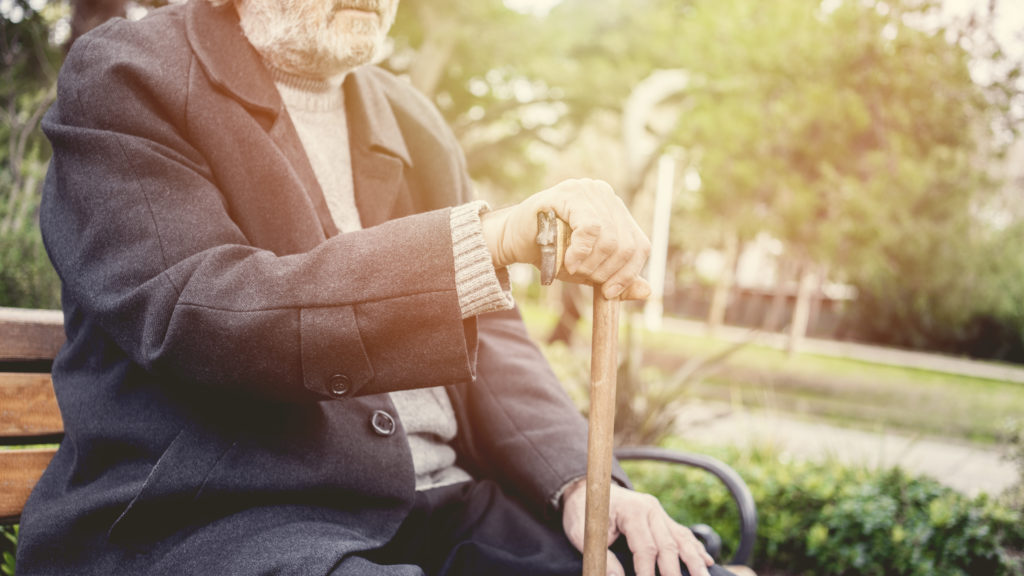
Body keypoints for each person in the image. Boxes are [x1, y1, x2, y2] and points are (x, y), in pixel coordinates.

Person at [16, 0, 736, 575]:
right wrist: (482, 241)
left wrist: (583, 481)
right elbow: (198, 314)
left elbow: (500, 339)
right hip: (229, 518)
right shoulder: (129, 76)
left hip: (439, 510)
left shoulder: (412, 118)